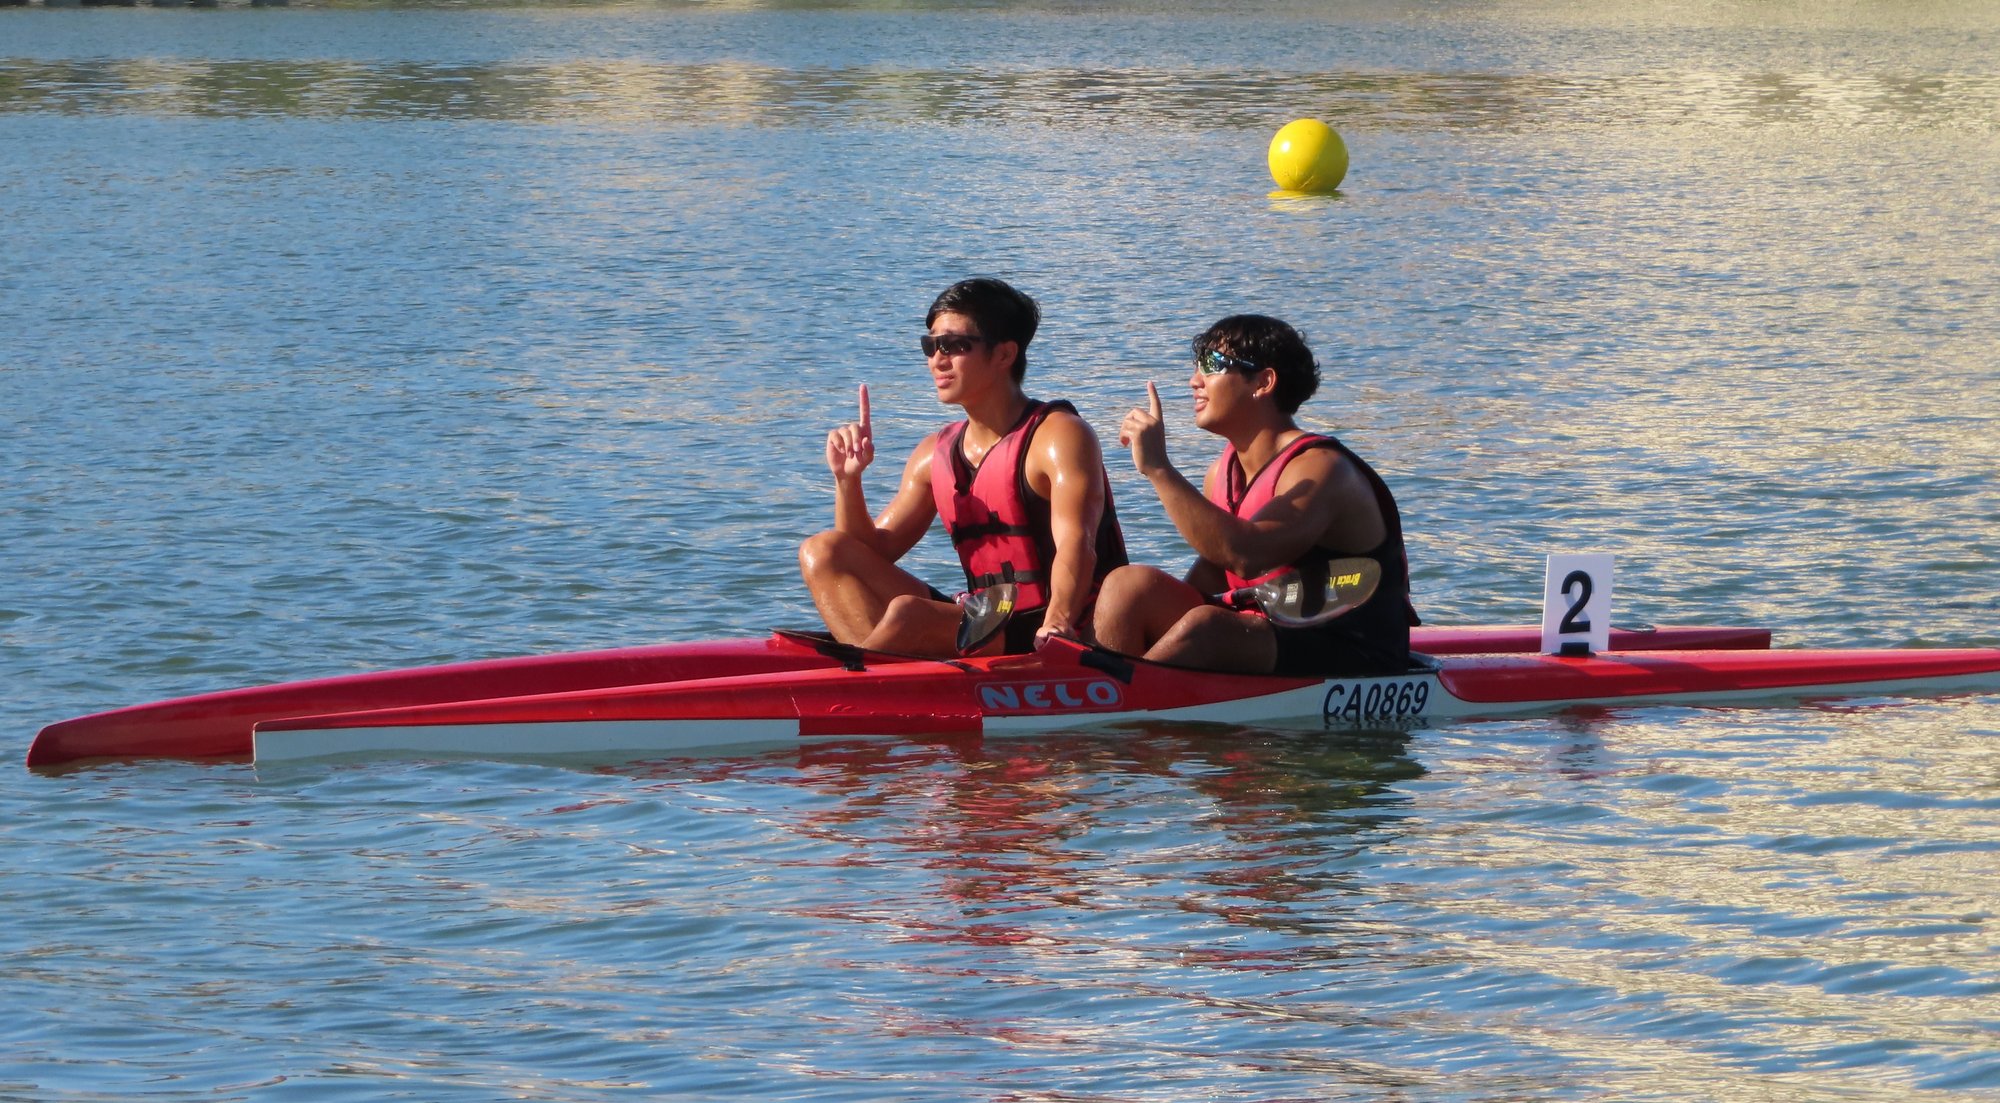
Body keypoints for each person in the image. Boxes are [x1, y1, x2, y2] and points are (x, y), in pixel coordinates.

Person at [798, 277, 1127, 656]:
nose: (937, 359)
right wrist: (848, 480)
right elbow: (868, 554)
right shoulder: (933, 454)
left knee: (908, 613)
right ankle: (871, 675)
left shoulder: (1058, 437)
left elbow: (1077, 543)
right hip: (986, 621)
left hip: (1060, 629)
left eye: (955, 345)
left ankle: (858, 678)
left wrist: (1057, 625)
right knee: (823, 552)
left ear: (1004, 355)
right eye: (930, 345)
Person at [1094, 314, 1417, 675]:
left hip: (1355, 651)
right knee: (1127, 587)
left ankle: (1112, 706)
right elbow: (1218, 566)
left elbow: (1247, 556)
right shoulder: (1221, 473)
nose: (1194, 381)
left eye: (1212, 365)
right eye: (1197, 366)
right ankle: (1104, 689)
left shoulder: (1323, 469)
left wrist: (1158, 469)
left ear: (1263, 382)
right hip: (1268, 630)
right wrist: (1159, 621)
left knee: (1207, 629)